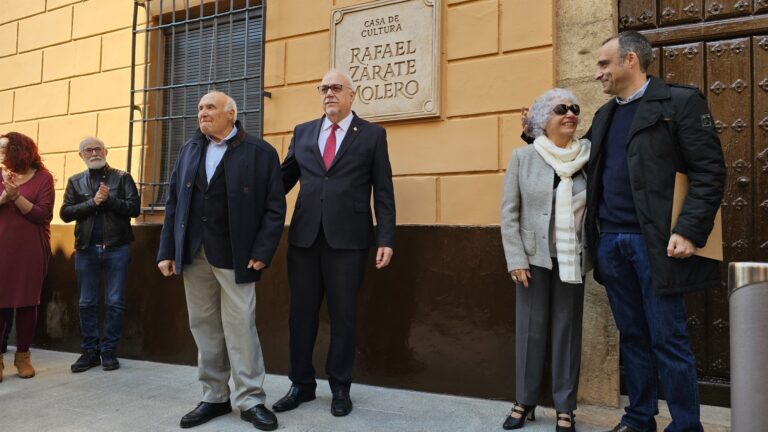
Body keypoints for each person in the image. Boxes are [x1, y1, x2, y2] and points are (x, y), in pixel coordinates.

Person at [586, 32, 725, 432]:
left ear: (630, 60)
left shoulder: (679, 103)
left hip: (657, 245)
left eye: (604, 63)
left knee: (669, 339)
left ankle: (685, 426)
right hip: (611, 243)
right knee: (633, 337)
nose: (598, 73)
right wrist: (536, 132)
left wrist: (689, 230)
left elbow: (709, 171)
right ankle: (639, 419)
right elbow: (578, 159)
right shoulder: (604, 115)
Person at [157, 91, 286, 431]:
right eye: (200, 108)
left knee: (241, 326)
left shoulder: (260, 152)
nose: (203, 113)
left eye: (210, 107)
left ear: (231, 113)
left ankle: (251, 399)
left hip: (237, 254)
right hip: (194, 253)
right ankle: (214, 396)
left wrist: (263, 250)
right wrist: (167, 250)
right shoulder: (189, 149)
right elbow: (173, 203)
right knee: (204, 327)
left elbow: (274, 207)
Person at [273, 69, 395, 417]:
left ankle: (340, 386)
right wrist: (248, 190)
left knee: (344, 316)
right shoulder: (303, 132)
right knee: (301, 316)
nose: (329, 93)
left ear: (352, 95)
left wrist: (386, 237)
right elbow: (282, 179)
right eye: (324, 88)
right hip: (304, 239)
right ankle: (301, 385)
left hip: (349, 241)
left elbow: (383, 189)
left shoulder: (372, 135)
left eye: (336, 88)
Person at [500, 89, 590, 432]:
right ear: (542, 119)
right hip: (533, 259)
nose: (570, 114)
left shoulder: (588, 155)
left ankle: (565, 407)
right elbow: (510, 213)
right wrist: (515, 259)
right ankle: (524, 401)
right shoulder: (524, 157)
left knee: (567, 332)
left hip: (572, 257)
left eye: (574, 108)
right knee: (530, 331)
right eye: (560, 109)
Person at [60, 137, 140, 373]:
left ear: (106, 152)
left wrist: (109, 200)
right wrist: (93, 202)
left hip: (117, 248)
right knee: (87, 303)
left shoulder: (122, 178)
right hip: (86, 250)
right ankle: (90, 352)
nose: (94, 153)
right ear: (81, 155)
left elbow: (134, 209)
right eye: (88, 150)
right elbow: (65, 213)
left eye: (97, 149)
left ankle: (109, 351)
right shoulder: (75, 181)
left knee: (115, 302)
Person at [0, 132, 55, 382]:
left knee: (27, 303)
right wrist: (5, 197)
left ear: (19, 150)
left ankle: (23, 357)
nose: (0, 153)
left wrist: (17, 196)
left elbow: (42, 215)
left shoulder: (43, 178)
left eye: (4, 149)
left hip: (31, 249)